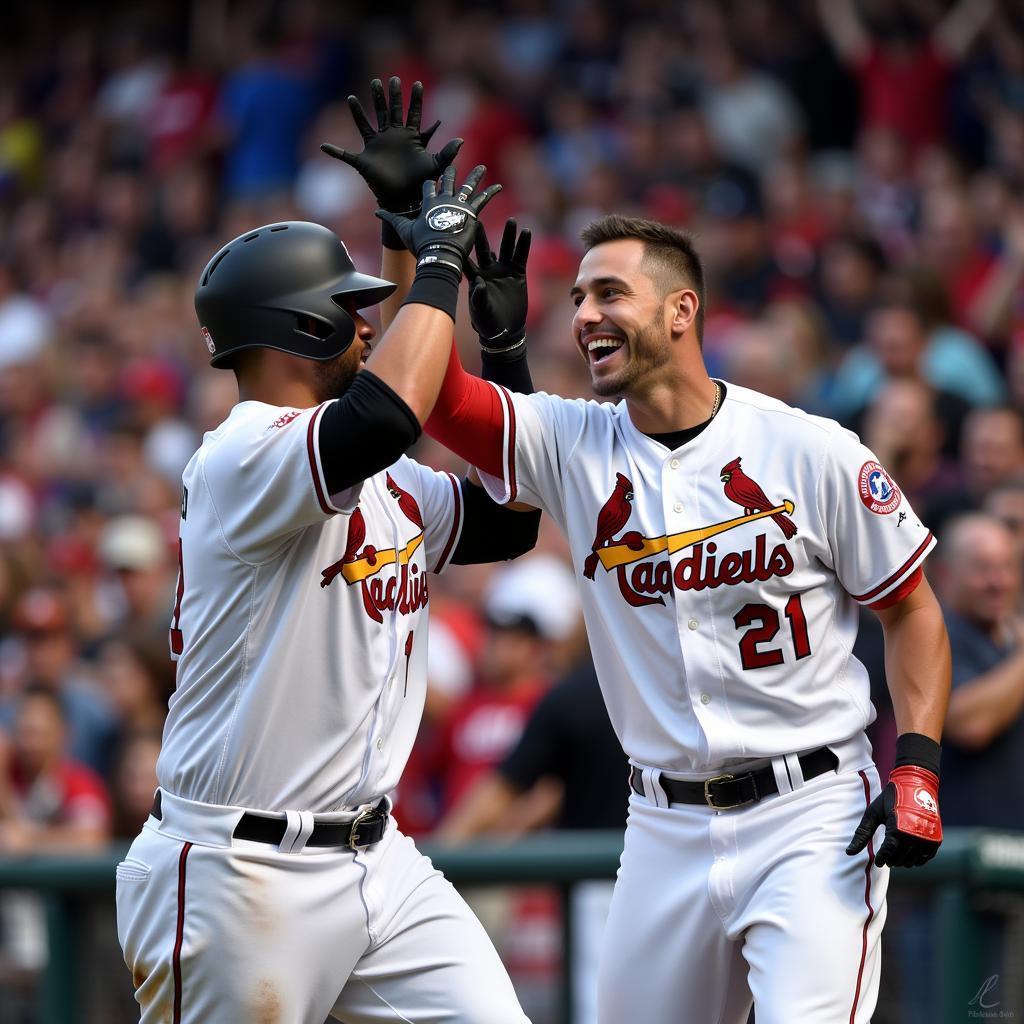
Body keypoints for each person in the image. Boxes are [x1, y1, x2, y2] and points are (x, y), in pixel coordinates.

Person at [422, 213, 951, 1023]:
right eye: (577, 298)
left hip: (810, 814)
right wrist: (425, 265)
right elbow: (424, 393)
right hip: (661, 825)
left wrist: (915, 764)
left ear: (682, 310)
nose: (586, 313)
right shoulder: (575, 444)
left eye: (611, 293)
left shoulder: (809, 449)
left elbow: (911, 611)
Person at [115, 78, 537, 1024]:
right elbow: (384, 412)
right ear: (302, 327)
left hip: (379, 862)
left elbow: (514, 522)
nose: (366, 322)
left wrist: (504, 352)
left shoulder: (381, 482)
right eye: (347, 308)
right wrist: (434, 260)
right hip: (237, 871)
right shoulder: (243, 454)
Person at [934, 514, 1024, 830]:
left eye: (1007, 567)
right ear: (945, 574)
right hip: (960, 855)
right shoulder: (932, 636)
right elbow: (972, 724)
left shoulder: (1009, 639)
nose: (998, 582)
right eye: (982, 569)